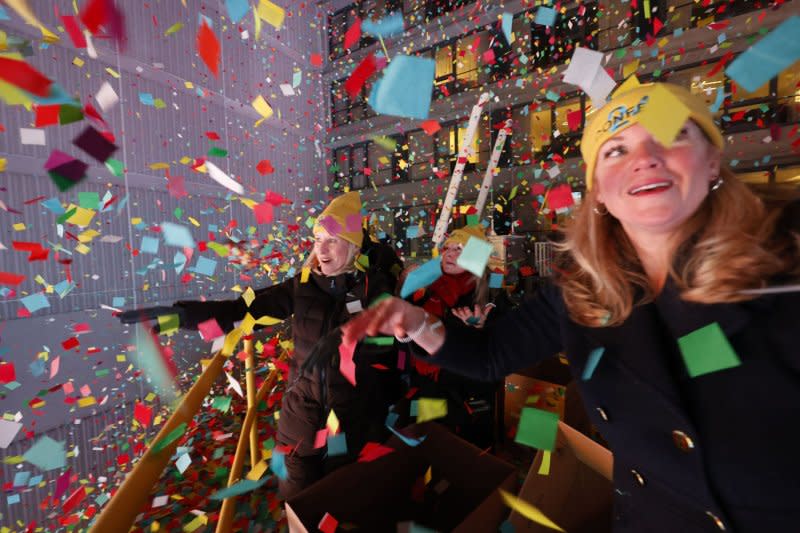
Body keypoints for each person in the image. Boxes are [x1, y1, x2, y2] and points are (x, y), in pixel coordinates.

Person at [342, 81, 800, 532]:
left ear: (713, 161)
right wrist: (418, 321)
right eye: (616, 149)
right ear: (598, 189)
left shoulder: (786, 276)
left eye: (672, 134)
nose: (645, 159)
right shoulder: (580, 290)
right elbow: (491, 354)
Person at [121, 191, 404, 499]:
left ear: (352, 246)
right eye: (317, 239)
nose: (321, 249)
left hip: (355, 425)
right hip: (301, 424)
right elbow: (245, 309)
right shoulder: (304, 284)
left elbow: (396, 344)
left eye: (332, 240)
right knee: (297, 506)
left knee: (342, 507)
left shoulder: (378, 290)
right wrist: (183, 316)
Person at [401, 224, 508, 448]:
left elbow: (503, 351)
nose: (450, 253)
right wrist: (404, 333)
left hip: (469, 398)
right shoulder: (426, 289)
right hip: (428, 390)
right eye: (448, 248)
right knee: (430, 452)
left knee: (467, 457)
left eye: (460, 248)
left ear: (476, 256)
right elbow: (405, 345)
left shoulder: (493, 294)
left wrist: (481, 331)